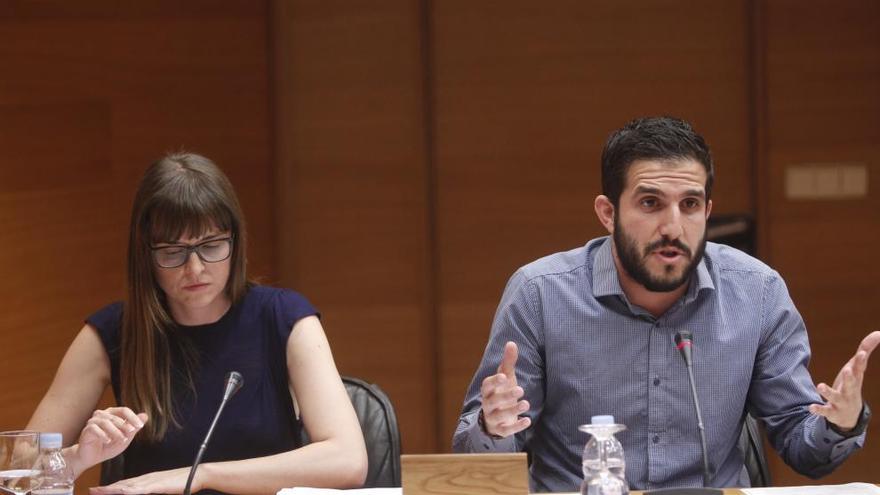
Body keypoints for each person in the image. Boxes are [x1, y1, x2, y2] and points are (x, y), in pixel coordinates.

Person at [452, 117, 878, 492]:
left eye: (690, 205)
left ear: (707, 211)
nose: (673, 227)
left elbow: (805, 449)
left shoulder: (757, 293)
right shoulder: (540, 294)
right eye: (650, 203)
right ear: (608, 212)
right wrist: (493, 427)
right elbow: (476, 462)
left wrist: (838, 423)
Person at [26, 153, 368, 494]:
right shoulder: (112, 334)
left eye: (211, 245)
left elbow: (348, 460)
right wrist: (79, 457)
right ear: (145, 254)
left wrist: (200, 475)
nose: (195, 269)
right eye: (173, 252)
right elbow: (19, 471)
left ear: (235, 241)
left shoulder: (285, 319)